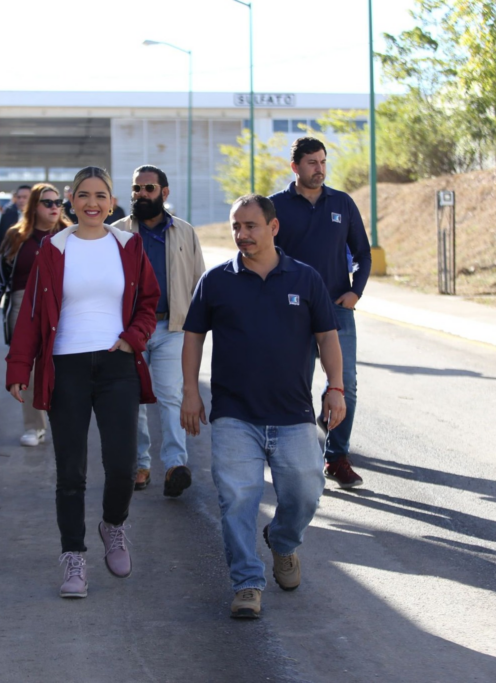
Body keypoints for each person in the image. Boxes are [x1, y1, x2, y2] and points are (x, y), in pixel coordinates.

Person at [181, 194, 346, 619]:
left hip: (293, 413)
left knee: (306, 492)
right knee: (237, 499)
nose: (242, 234)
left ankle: (284, 541)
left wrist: (336, 387)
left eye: (250, 226)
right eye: (236, 226)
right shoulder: (216, 281)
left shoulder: (305, 279)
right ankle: (247, 583)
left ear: (273, 228)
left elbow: (328, 337)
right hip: (235, 414)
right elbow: (194, 336)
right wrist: (190, 391)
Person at [6, 166, 159, 599]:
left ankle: (113, 525)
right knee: (70, 473)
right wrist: (19, 366)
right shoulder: (52, 249)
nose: (92, 203)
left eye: (101, 195)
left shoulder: (129, 245)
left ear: (112, 202)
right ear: (71, 200)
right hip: (66, 367)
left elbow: (149, 301)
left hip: (117, 365)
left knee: (123, 466)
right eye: (84, 195)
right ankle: (73, 557)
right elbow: (32, 314)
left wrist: (133, 338)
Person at [270, 136, 372, 489]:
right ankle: (299, 457)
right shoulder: (275, 206)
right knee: (296, 385)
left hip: (337, 310)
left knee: (346, 384)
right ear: (295, 167)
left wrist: (355, 291)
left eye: (323, 161)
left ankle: (337, 457)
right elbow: (264, 256)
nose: (320, 168)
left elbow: (363, 252)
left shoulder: (342, 203)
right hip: (292, 313)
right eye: (312, 162)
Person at [112, 165, 205, 496]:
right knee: (132, 399)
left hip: (171, 327)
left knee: (170, 396)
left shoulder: (185, 232)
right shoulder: (117, 233)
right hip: (129, 330)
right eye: (136, 188)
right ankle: (140, 465)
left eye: (149, 188)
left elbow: (199, 281)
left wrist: (198, 325)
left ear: (164, 192)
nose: (141, 194)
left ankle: (175, 465)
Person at [0, 183, 70, 446]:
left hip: (62, 306)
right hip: (23, 305)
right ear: (34, 206)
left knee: (64, 368)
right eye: (48, 202)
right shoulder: (17, 236)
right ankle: (34, 426)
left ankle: (65, 423)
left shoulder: (71, 236)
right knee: (30, 369)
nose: (54, 207)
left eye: (58, 202)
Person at [0, 185, 31, 259]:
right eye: (19, 197)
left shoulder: (38, 217)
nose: (21, 200)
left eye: (25, 197)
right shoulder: (8, 214)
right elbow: (0, 236)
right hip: (9, 258)